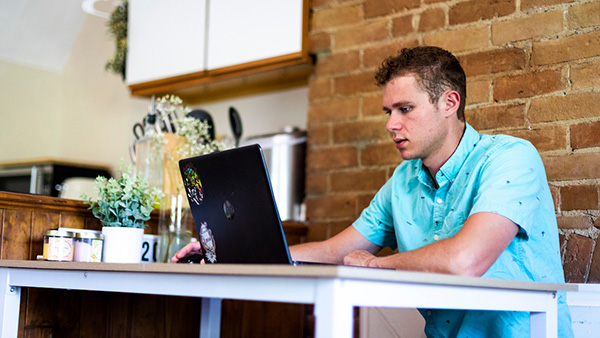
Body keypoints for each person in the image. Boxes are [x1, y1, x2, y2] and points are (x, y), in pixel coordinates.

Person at [173, 46, 573, 337]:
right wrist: (235, 255)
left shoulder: (511, 158)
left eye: (405, 109)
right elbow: (337, 250)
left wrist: (377, 265)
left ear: (449, 102)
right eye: (388, 112)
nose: (391, 125)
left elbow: (465, 260)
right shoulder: (403, 180)